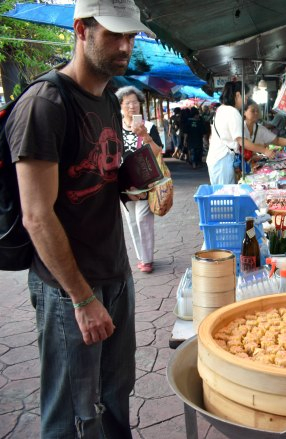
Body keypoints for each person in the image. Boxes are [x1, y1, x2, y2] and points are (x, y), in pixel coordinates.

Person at [5, 0, 151, 437]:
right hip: (68, 289)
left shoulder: (107, 97)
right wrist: (83, 300)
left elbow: (101, 176)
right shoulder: (45, 103)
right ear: (82, 30)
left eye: (131, 36)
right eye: (114, 34)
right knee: (72, 413)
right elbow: (36, 215)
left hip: (114, 273)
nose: (125, 45)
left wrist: (140, 176)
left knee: (116, 394)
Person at [116, 85, 163, 273]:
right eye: (127, 103)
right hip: (123, 180)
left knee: (143, 218)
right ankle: (141, 256)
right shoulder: (114, 126)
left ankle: (147, 259)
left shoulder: (149, 126)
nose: (131, 107)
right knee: (131, 220)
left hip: (145, 178)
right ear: (120, 106)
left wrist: (144, 135)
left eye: (135, 103)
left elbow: (158, 150)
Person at [207, 81, 275, 184]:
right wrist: (264, 150)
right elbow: (242, 141)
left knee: (221, 193)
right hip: (222, 159)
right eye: (246, 97)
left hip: (217, 159)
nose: (245, 101)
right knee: (225, 194)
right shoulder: (232, 112)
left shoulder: (222, 109)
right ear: (238, 95)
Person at [242, 99, 286, 171]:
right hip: (238, 166)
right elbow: (244, 144)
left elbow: (276, 140)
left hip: (249, 166)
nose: (256, 113)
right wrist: (264, 151)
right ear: (244, 112)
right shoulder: (240, 128)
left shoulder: (259, 129)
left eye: (257, 111)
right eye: (253, 111)